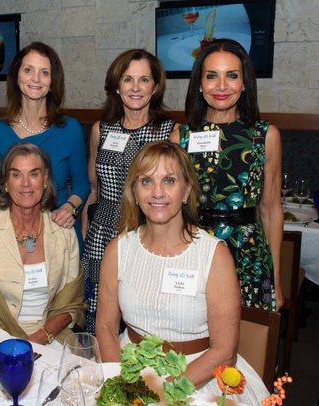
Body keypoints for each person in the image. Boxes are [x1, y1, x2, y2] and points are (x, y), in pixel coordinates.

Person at [95, 141, 269, 403]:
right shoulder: (118, 249)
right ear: (134, 190)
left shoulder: (214, 256)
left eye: (169, 181)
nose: (157, 193)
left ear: (186, 191)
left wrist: (163, 393)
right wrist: (121, 382)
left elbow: (224, 351)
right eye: (146, 181)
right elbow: (106, 326)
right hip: (128, 369)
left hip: (198, 376)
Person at [170, 39, 283, 311]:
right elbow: (172, 208)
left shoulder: (265, 136)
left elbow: (270, 210)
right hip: (194, 249)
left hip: (248, 256)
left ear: (244, 83)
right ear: (199, 83)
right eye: (212, 76)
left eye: (232, 75)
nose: (222, 86)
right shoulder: (181, 136)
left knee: (246, 345)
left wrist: (276, 278)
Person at [81, 49, 178, 333]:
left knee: (144, 320)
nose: (135, 88)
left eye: (144, 80)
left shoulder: (170, 133)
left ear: (156, 86)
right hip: (101, 236)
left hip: (148, 235)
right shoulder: (102, 129)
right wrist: (86, 236)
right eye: (127, 79)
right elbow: (93, 189)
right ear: (116, 86)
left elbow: (176, 198)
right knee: (99, 320)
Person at [0, 42, 89, 249]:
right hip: (12, 235)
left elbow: (82, 185)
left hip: (59, 230)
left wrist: (70, 207)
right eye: (28, 70)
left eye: (44, 72)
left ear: (52, 82)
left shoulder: (70, 129)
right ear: (16, 77)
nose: (36, 79)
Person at [0, 143, 86, 345]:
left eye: (34, 174)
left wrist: (41, 336)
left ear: (45, 180)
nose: (25, 183)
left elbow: (73, 302)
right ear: (6, 183)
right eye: (16, 175)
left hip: (53, 336)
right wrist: (12, 346)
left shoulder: (63, 232)